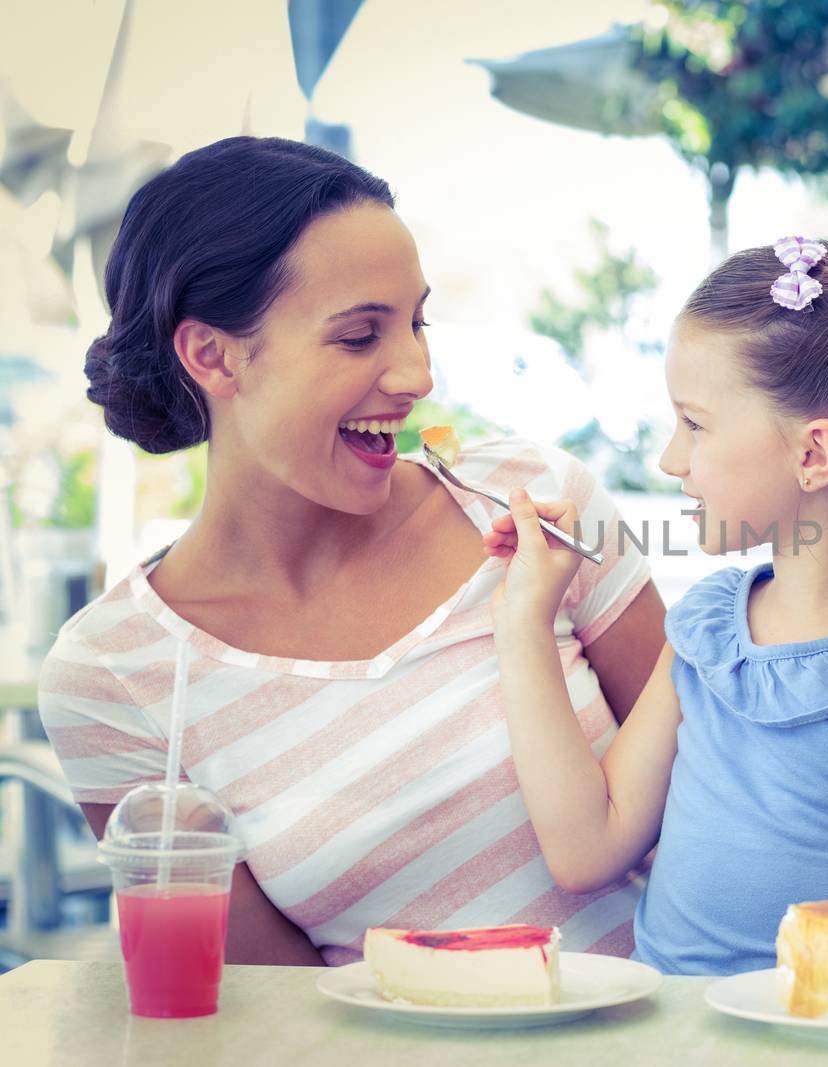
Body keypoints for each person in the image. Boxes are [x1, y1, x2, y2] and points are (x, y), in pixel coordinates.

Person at [36, 136, 667, 965]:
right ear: (212, 355)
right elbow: (274, 1014)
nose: (417, 373)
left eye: (416, 323)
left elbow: (728, 786)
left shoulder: (534, 499)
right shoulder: (115, 673)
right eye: (359, 336)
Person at [483, 237, 828, 974]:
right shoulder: (707, 628)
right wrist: (525, 625)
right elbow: (586, 847)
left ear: (814, 454)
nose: (670, 458)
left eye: (694, 424)